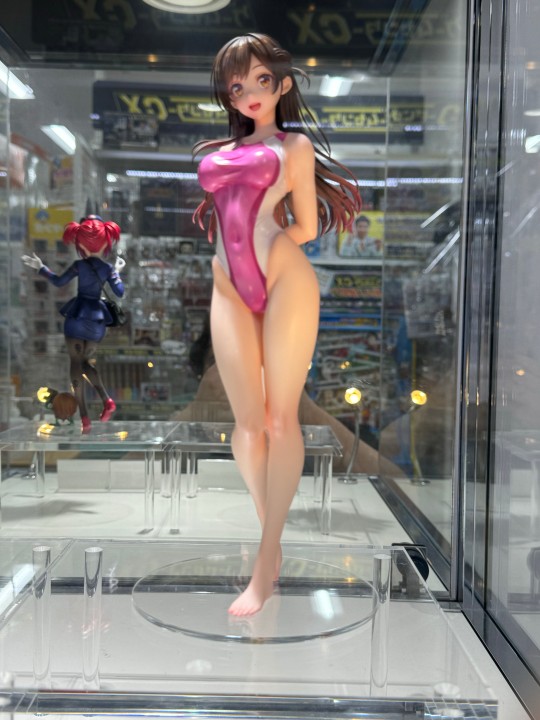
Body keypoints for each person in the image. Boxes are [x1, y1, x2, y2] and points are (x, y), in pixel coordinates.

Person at [193, 33, 361, 616]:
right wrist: (242, 263)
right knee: (245, 423)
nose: (249, 94)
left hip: (284, 277)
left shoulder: (295, 146)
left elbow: (307, 226)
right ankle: (272, 538)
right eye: (237, 85)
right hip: (226, 284)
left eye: (261, 80)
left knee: (279, 418)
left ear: (283, 84)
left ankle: (264, 566)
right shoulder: (222, 151)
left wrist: (267, 254)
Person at [22, 216, 125, 433]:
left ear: (81, 245)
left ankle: (85, 417)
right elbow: (119, 291)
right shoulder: (107, 269)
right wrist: (116, 270)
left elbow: (58, 281)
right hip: (97, 321)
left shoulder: (79, 265)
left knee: (76, 365)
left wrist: (41, 267)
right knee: (84, 363)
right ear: (106, 243)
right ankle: (107, 400)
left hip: (77, 317)